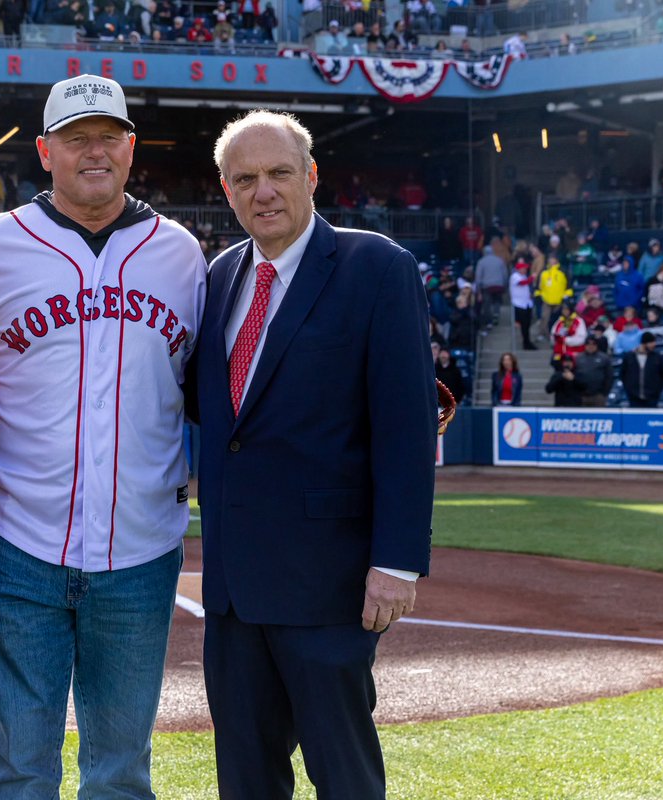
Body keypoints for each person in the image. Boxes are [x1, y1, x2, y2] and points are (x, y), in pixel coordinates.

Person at [0, 74, 206, 799]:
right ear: (44, 152)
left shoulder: (181, 254)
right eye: (76, 138)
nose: (94, 151)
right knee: (18, 770)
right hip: (16, 547)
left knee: (121, 772)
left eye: (108, 137)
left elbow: (207, 386)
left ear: (131, 148)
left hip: (141, 551)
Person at [194, 110, 436, 799]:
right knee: (246, 779)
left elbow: (406, 425)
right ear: (227, 190)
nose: (263, 191)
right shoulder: (220, 276)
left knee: (344, 776)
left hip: (329, 586)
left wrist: (395, 563)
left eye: (278, 173)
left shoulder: (376, 267)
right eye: (245, 179)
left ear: (311, 176)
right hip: (234, 593)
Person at [621, 332, 663, 408]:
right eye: (651, 342)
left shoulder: (658, 358)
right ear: (644, 343)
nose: (654, 344)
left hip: (652, 398)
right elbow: (623, 375)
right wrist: (629, 390)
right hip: (634, 397)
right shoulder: (629, 357)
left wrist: (657, 391)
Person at [474, 243, 507, 327]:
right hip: (499, 285)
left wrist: (478, 289)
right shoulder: (499, 260)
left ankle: (489, 322)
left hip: (486, 286)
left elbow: (478, 276)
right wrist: (504, 285)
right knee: (497, 301)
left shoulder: (481, 262)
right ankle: (496, 314)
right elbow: (505, 274)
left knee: (487, 304)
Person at [509, 259, 537, 349]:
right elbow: (522, 283)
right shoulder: (515, 276)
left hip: (527, 303)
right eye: (523, 268)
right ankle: (526, 343)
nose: (525, 270)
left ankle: (527, 342)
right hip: (519, 304)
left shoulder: (524, 276)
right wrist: (532, 278)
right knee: (524, 325)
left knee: (527, 325)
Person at [575, 336, 611, 406]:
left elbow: (609, 376)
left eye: (593, 344)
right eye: (588, 344)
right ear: (585, 345)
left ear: (597, 345)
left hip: (598, 396)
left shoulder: (604, 358)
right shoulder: (578, 358)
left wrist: (604, 393)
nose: (590, 346)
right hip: (581, 396)